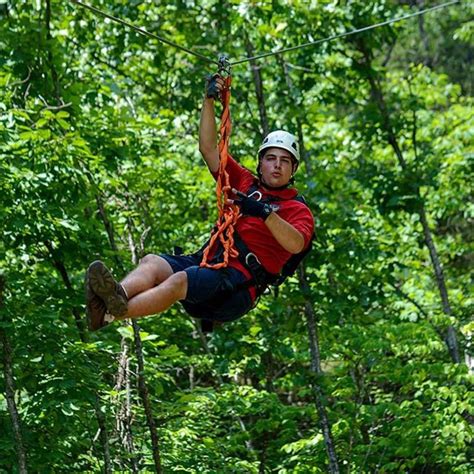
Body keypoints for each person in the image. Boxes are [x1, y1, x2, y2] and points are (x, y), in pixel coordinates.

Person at [85, 75, 315, 331]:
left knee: (179, 280)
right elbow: (208, 149)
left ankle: (107, 315)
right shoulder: (244, 182)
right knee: (152, 262)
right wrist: (208, 101)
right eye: (271, 158)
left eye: (285, 161)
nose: (277, 165)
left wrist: (263, 213)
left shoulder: (297, 209)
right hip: (208, 262)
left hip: (237, 285)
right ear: (261, 163)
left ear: (293, 169)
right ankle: (116, 296)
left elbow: (295, 244)